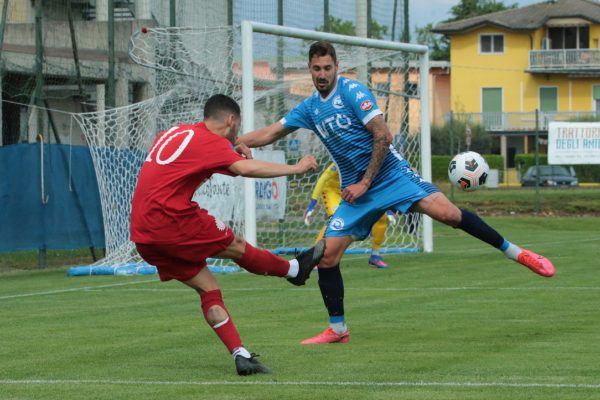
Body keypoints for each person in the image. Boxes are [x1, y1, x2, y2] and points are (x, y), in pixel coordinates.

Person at [235, 41, 555, 345]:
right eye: (316, 68)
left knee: (448, 214)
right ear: (309, 69)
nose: (321, 74)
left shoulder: (353, 93)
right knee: (328, 257)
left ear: (336, 67)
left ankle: (518, 253)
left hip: (389, 175)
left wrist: (364, 182)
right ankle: (338, 330)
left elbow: (383, 136)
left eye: (327, 68)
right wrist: (239, 142)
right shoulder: (308, 108)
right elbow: (271, 131)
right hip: (357, 193)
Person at [130, 94, 326, 375]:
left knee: (208, 288)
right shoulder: (209, 142)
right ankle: (294, 270)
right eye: (238, 125)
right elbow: (244, 168)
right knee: (234, 245)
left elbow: (187, 167)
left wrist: (231, 151)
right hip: (170, 219)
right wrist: (296, 168)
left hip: (143, 234)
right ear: (231, 120)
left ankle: (240, 354)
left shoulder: (175, 132)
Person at [303, 162, 397, 268]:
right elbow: (323, 178)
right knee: (335, 221)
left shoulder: (372, 164)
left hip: (353, 192)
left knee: (381, 217)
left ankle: (375, 255)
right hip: (332, 191)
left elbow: (379, 184)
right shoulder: (342, 161)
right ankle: (314, 258)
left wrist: (388, 208)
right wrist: (312, 203)